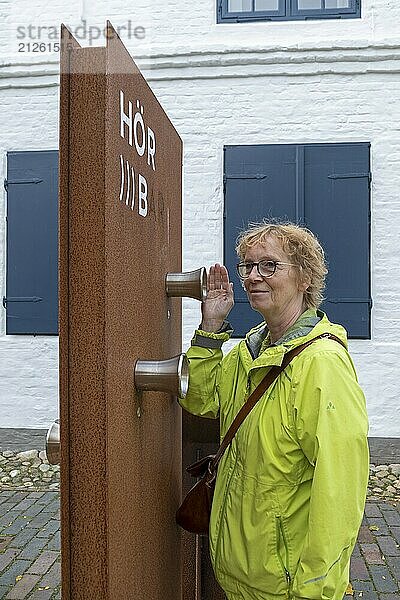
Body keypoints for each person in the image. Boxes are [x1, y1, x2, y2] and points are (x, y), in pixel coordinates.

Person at [179, 222, 369, 600]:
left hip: (284, 586)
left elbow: (341, 493)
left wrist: (316, 589)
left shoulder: (322, 364)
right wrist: (211, 327)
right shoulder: (250, 352)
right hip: (240, 573)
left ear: (304, 278)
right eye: (248, 266)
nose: (253, 276)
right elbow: (200, 399)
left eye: (269, 266)